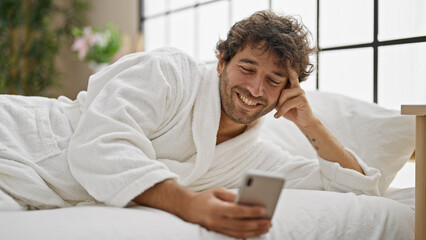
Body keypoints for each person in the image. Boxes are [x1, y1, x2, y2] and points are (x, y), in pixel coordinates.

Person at [0, 10, 381, 239]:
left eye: (274, 80)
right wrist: (189, 205)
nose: (254, 88)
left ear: (288, 89)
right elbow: (100, 144)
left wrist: (309, 123)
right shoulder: (169, 72)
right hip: (17, 140)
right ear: (222, 61)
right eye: (247, 68)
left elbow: (352, 187)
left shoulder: (252, 155)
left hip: (30, 193)